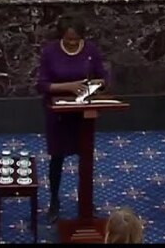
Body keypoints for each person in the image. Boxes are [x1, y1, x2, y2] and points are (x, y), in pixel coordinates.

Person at [36, 16, 108, 224]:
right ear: (61, 36)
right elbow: (42, 84)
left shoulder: (91, 51)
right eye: (68, 40)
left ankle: (86, 202)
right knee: (57, 157)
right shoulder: (50, 52)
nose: (72, 43)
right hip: (57, 113)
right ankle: (54, 201)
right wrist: (69, 86)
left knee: (85, 157)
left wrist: (97, 84)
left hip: (83, 112)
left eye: (76, 40)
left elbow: (104, 78)